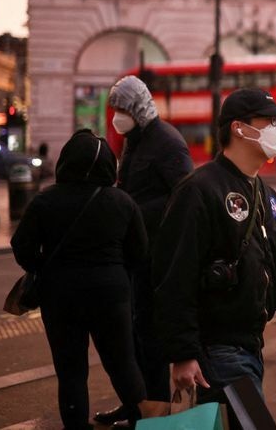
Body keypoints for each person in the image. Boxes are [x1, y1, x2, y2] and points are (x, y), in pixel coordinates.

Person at [151, 88, 276, 405]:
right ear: (239, 128)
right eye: (271, 121)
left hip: (250, 346)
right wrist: (183, 353)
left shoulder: (265, 195)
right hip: (216, 351)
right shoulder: (199, 190)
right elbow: (174, 278)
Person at [11, 129, 147, 430]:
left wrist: (42, 266)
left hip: (60, 295)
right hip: (111, 294)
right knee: (123, 363)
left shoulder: (45, 201)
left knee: (71, 371)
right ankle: (142, 421)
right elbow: (140, 253)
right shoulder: (122, 202)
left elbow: (21, 246)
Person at [95, 75, 193, 425]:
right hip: (135, 252)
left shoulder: (167, 142)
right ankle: (137, 405)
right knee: (134, 335)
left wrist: (139, 212)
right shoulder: (133, 139)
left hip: (157, 255)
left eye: (122, 107)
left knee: (150, 339)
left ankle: (156, 414)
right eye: (115, 108)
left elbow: (183, 199)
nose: (117, 115)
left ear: (137, 107)